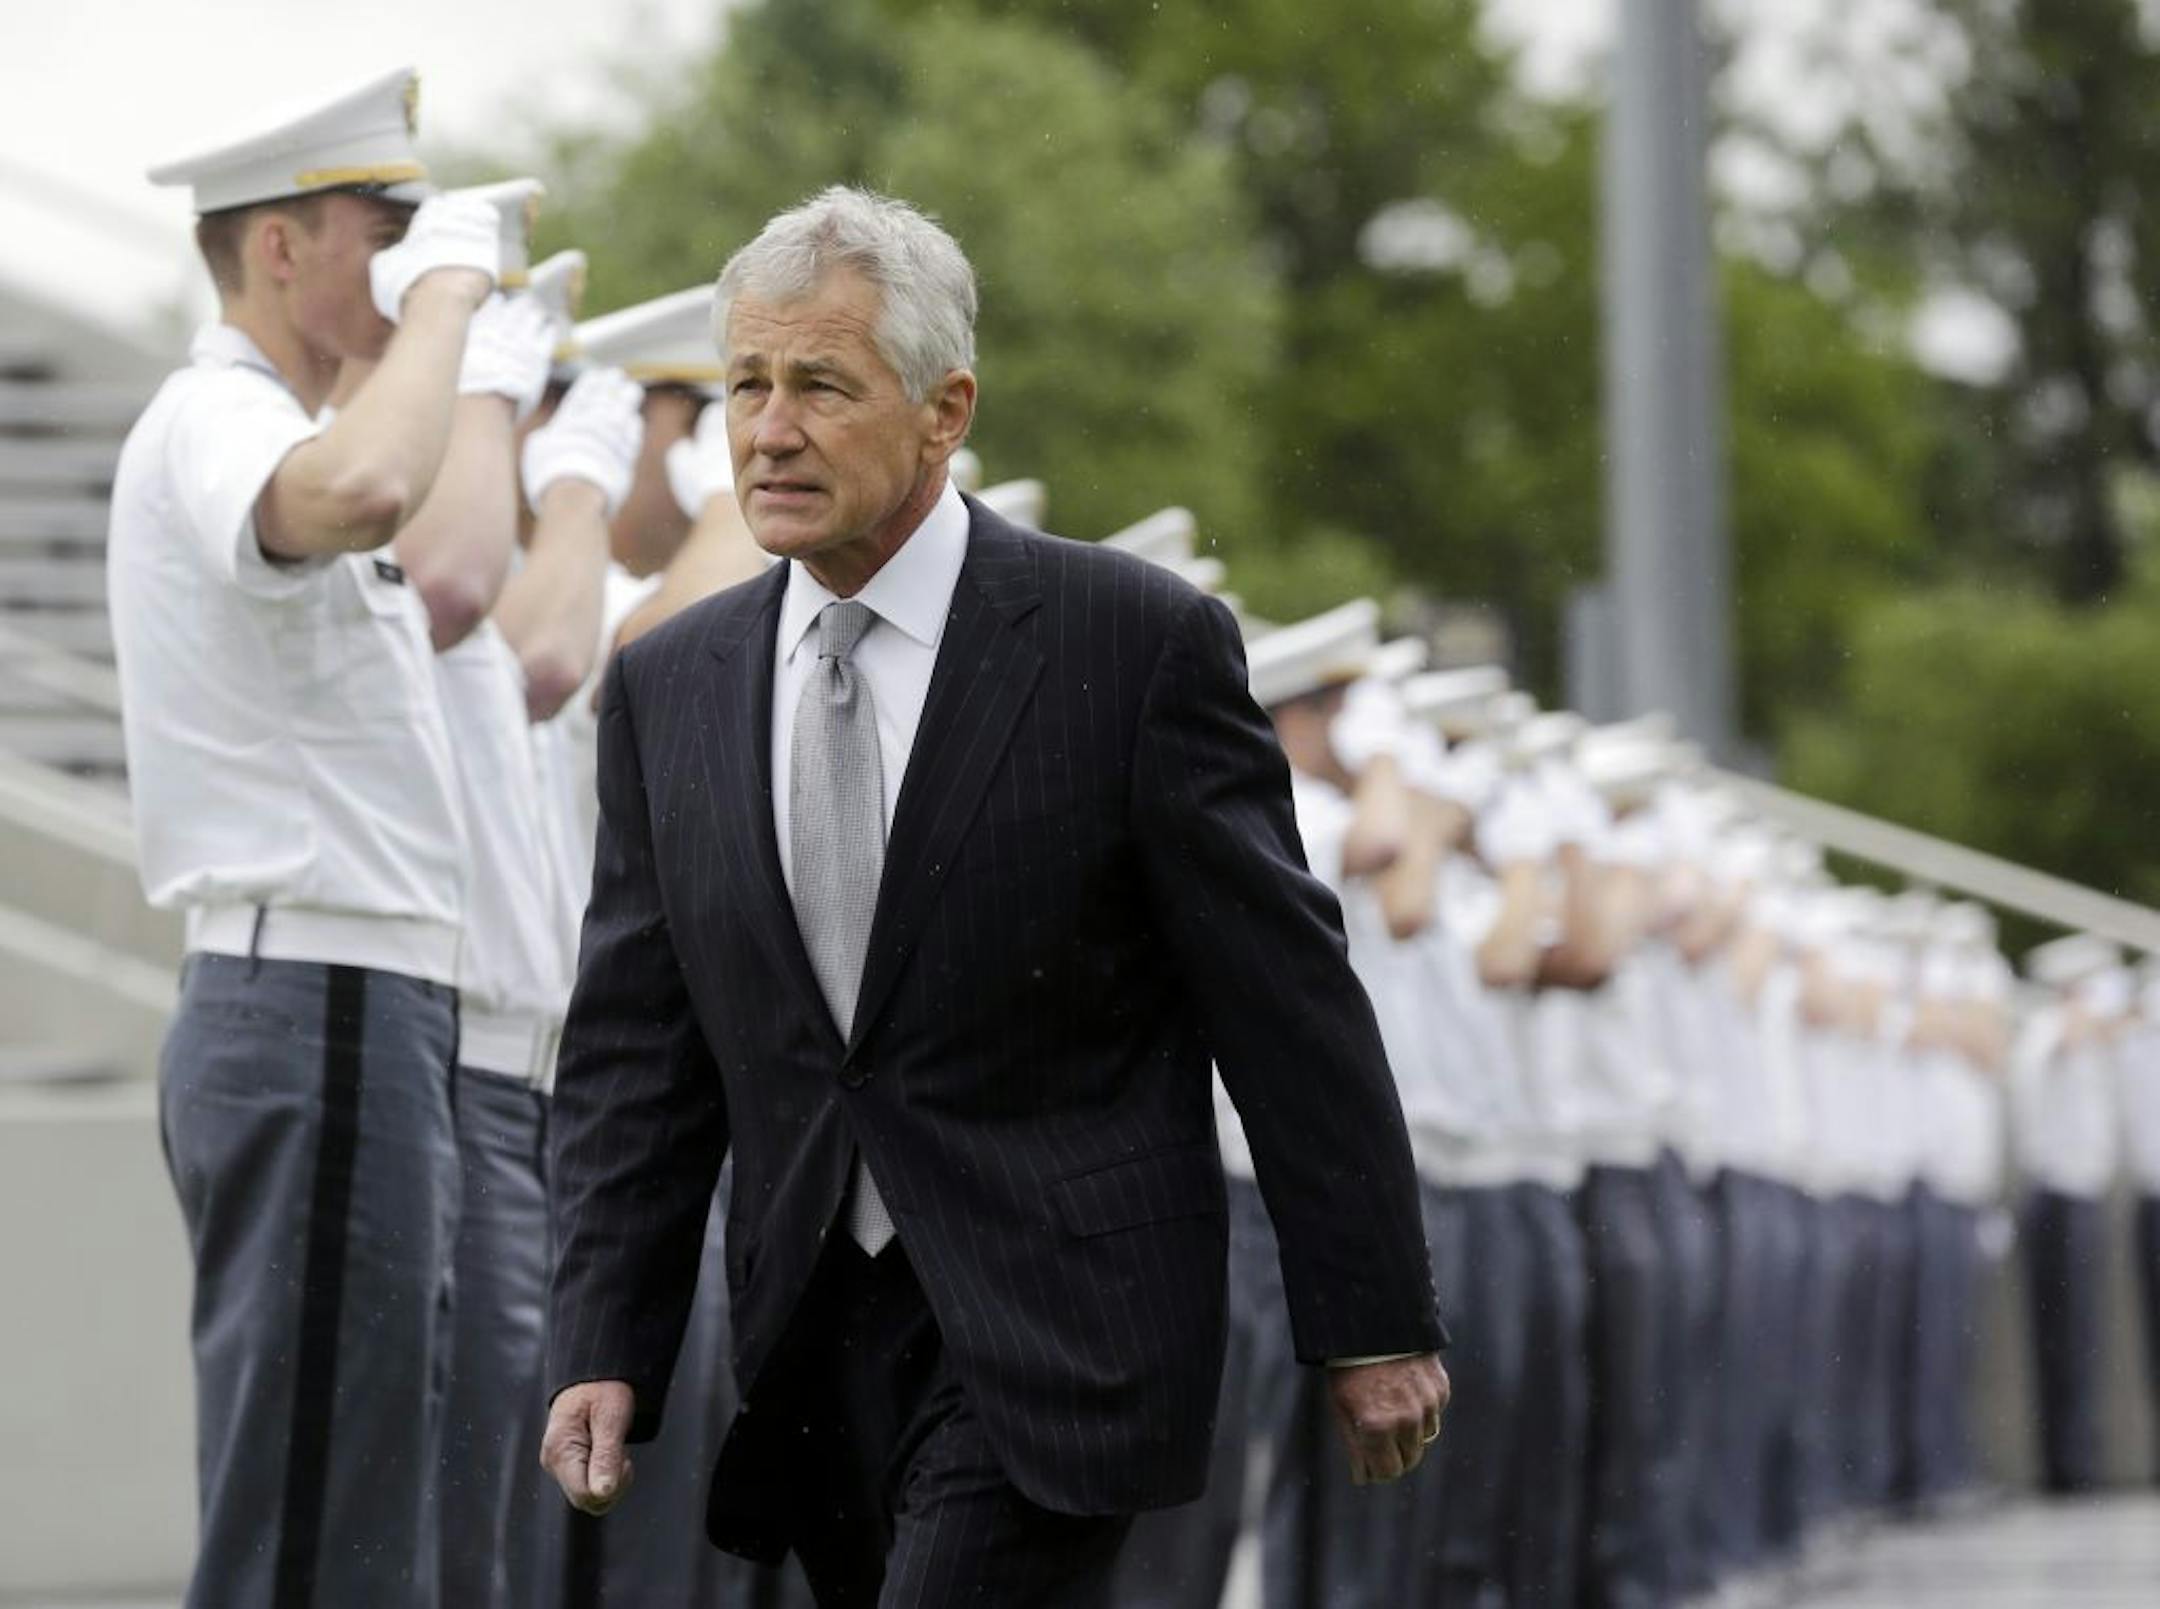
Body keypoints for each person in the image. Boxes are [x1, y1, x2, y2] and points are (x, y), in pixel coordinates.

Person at [541, 186, 1448, 1606]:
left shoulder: (1133, 645)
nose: (768, 431)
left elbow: (1285, 1004)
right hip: (811, 1340)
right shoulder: (672, 687)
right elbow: (634, 1055)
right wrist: (604, 1332)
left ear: (943, 410)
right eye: (747, 384)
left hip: (1060, 1322)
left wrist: (1372, 1318)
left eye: (821, 386)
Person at [109, 67, 499, 1608]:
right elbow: (368, 484)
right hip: (315, 992)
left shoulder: (273, 421)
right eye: (377, 229)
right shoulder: (218, 414)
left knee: (356, 1510)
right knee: (309, 1533)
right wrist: (457, 292)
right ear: (279, 249)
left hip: (358, 1003)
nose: (402, 259)